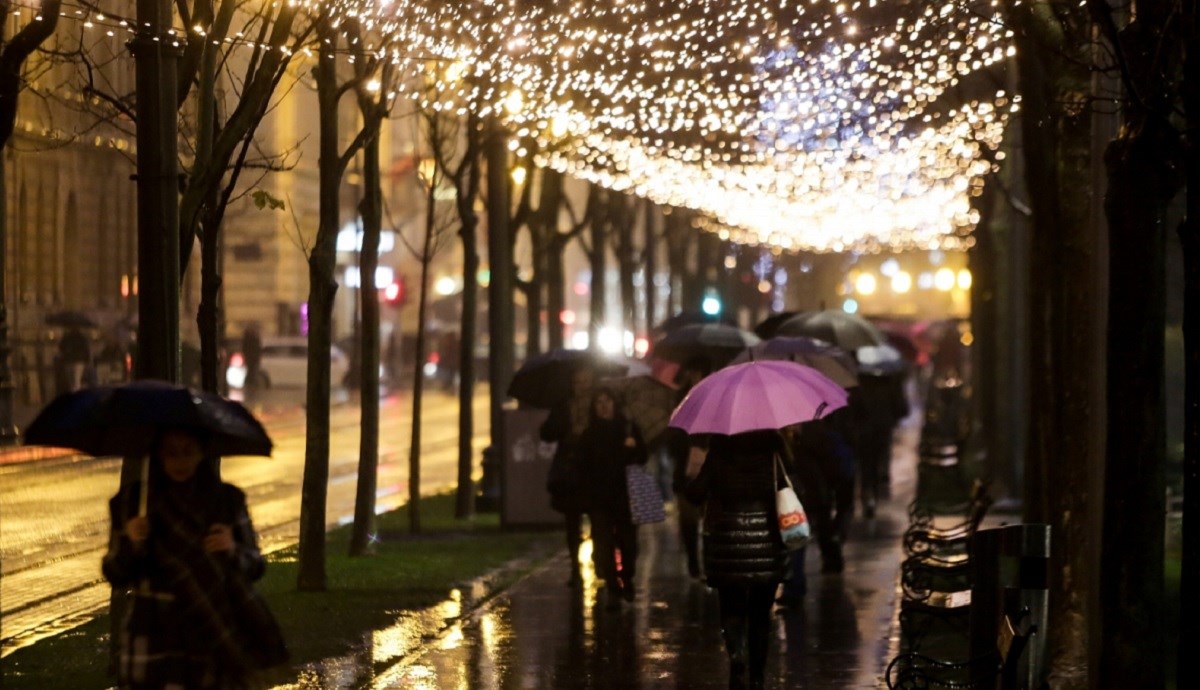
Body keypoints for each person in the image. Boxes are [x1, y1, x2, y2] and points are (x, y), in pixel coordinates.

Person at [102, 428, 287, 689]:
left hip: (212, 626)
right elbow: (115, 573)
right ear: (158, 455)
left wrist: (232, 548)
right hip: (155, 631)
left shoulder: (226, 500)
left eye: (188, 451)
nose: (181, 461)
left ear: (202, 452)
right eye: (171, 453)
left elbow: (255, 566)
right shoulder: (132, 503)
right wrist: (132, 543)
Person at [684, 430, 790, 690]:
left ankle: (737, 656)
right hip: (765, 541)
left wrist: (689, 481)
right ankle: (757, 677)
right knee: (760, 615)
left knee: (732, 609)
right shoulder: (773, 448)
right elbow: (791, 487)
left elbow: (696, 493)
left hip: (728, 541)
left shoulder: (720, 448)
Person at [576, 387, 648, 607]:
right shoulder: (589, 434)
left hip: (626, 496)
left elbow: (643, 457)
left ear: (615, 404)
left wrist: (634, 447)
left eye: (607, 401)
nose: (604, 406)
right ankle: (613, 588)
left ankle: (627, 577)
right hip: (599, 498)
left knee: (628, 543)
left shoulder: (628, 428)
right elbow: (582, 466)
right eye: (599, 402)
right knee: (604, 544)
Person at [540, 366, 596, 586]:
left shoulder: (599, 404)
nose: (582, 387)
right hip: (570, 471)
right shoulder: (563, 406)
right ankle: (575, 567)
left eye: (585, 381)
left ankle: (599, 558)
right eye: (577, 382)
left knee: (598, 518)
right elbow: (547, 433)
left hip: (594, 470)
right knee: (572, 522)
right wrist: (565, 427)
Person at [668, 355, 712, 578]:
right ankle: (694, 563)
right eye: (692, 372)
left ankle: (709, 562)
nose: (695, 377)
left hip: (711, 467)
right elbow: (672, 437)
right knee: (688, 520)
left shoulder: (714, 397)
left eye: (698, 373)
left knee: (711, 520)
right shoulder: (680, 400)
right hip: (685, 469)